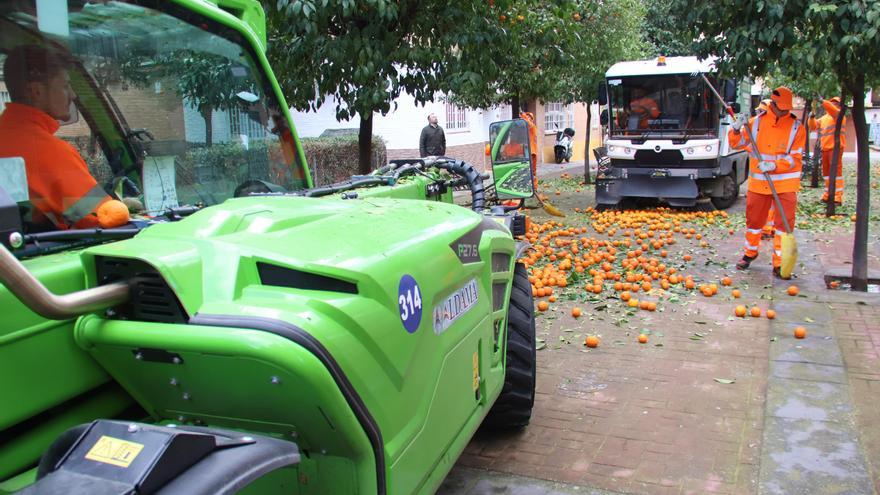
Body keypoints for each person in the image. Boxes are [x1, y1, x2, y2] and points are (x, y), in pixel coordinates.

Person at [0, 45, 112, 229]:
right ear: (36, 91)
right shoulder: (47, 150)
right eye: (65, 86)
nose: (73, 94)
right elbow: (100, 218)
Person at [729, 86, 806, 279]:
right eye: (781, 107)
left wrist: (773, 165)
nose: (784, 111)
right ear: (772, 104)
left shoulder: (797, 128)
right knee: (754, 222)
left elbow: (795, 158)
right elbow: (736, 144)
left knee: (783, 226)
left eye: (787, 108)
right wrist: (736, 129)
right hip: (759, 184)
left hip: (786, 185)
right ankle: (750, 253)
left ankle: (779, 264)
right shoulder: (755, 124)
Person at [815, 96, 846, 204]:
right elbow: (813, 126)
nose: (833, 104)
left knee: (836, 173)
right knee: (827, 174)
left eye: (835, 103)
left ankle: (837, 197)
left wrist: (823, 101)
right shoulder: (824, 118)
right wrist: (811, 118)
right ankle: (827, 195)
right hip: (825, 149)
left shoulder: (839, 115)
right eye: (832, 102)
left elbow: (832, 110)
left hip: (835, 148)